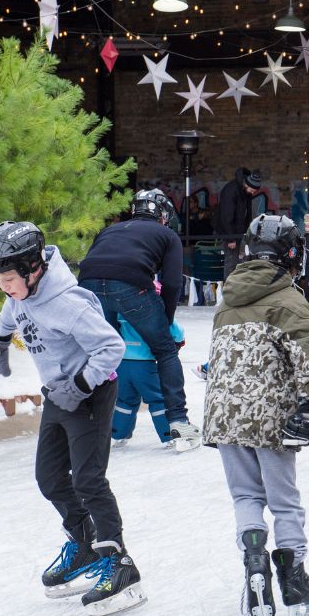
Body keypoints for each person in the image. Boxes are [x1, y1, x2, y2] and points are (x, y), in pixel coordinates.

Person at [0, 221, 145, 616]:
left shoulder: (67, 302)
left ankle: (120, 563)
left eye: (8, 278)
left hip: (90, 392)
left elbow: (111, 346)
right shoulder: (19, 291)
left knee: (88, 480)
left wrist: (80, 385)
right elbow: (11, 310)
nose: (4, 287)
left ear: (33, 267)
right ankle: (84, 542)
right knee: (50, 478)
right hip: (57, 393)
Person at [204, 214, 309, 616]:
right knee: (284, 502)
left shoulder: (228, 300)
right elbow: (306, 354)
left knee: (246, 497)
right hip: (271, 416)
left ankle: (255, 562)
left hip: (225, 415)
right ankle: (293, 578)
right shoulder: (288, 299)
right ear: (293, 254)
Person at [78, 190, 199, 452]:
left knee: (104, 353)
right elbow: (173, 282)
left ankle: (96, 423)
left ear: (134, 211)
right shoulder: (167, 235)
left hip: (88, 286)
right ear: (164, 215)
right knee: (166, 351)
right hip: (131, 286)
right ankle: (179, 424)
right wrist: (164, 321)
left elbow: (92, 265)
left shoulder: (110, 230)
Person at [111, 289, 186, 449]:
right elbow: (176, 332)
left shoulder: (120, 311)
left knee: (124, 400)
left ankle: (118, 434)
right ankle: (168, 435)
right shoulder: (155, 312)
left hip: (122, 363)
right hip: (145, 364)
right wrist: (179, 340)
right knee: (157, 399)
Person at [215, 168, 263, 280]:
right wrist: (231, 238)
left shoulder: (245, 192)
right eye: (253, 190)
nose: (253, 193)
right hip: (230, 234)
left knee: (240, 262)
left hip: (239, 232)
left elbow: (245, 214)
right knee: (231, 262)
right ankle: (229, 291)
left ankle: (237, 288)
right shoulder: (231, 190)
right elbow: (226, 216)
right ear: (247, 185)